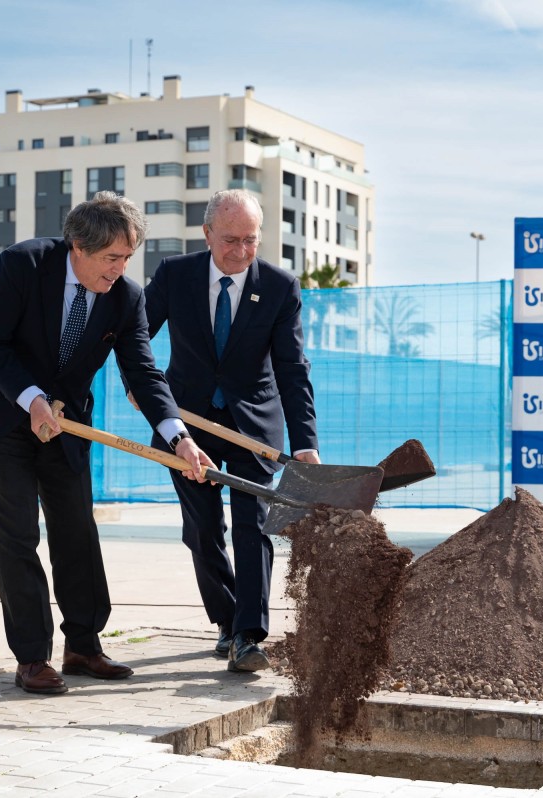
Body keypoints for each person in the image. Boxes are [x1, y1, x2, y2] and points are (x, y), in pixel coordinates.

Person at [0, 191, 209, 695]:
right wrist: (32, 399)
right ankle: (31, 656)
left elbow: (145, 373)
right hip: (1, 412)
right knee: (18, 533)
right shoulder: (23, 265)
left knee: (76, 531)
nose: (119, 270)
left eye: (127, 258)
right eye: (111, 258)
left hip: (66, 423)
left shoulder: (127, 298)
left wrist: (179, 437)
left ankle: (83, 645)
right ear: (77, 247)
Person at [134, 189, 320, 672]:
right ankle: (225, 619)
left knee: (253, 525)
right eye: (230, 240)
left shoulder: (280, 287)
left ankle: (248, 635)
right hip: (185, 423)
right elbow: (136, 337)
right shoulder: (176, 275)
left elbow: (292, 369)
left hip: (253, 425)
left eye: (250, 241)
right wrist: (143, 388)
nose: (240, 251)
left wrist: (305, 444)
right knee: (202, 529)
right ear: (207, 234)